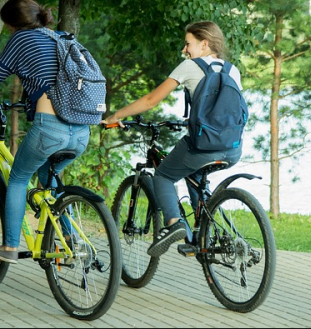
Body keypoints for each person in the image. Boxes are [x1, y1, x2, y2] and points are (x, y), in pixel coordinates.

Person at [0, 0, 91, 264]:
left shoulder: (21, 39)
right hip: (82, 131)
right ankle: (69, 238)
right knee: (48, 178)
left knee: (17, 179)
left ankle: (10, 247)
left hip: (50, 129)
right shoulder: (59, 37)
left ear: (12, 23)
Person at [102, 21, 244, 258]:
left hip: (203, 147)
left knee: (165, 175)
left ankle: (175, 223)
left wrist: (115, 116)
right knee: (194, 174)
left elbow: (150, 100)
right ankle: (202, 238)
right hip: (232, 149)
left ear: (204, 44)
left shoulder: (189, 67)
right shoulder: (233, 70)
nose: (185, 49)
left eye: (188, 43)